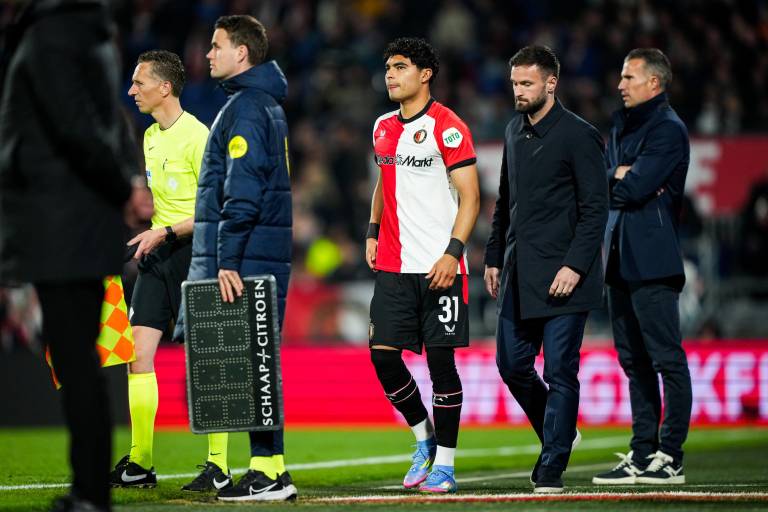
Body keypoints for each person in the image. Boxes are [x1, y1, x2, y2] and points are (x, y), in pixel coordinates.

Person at [0, 1, 133, 510]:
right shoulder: (86, 34)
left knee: (75, 362)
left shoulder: (52, 37)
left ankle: (91, 493)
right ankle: (89, 489)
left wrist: (122, 187)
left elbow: (76, 127)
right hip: (77, 220)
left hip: (62, 223)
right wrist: (122, 184)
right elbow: (105, 123)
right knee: (77, 361)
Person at [174, 15, 296, 502]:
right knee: (257, 363)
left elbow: (241, 193)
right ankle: (272, 469)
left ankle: (266, 472)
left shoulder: (245, 108)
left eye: (216, 45)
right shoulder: (262, 104)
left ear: (241, 53)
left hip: (246, 258)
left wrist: (227, 260)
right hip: (262, 252)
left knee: (249, 366)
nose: (208, 54)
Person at [484, 45, 607, 494]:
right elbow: (505, 201)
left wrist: (575, 265)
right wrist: (493, 255)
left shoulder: (580, 135)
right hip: (520, 271)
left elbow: (595, 209)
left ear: (551, 84)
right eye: (514, 83)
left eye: (527, 83)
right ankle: (561, 430)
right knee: (511, 364)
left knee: (560, 371)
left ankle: (552, 464)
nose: (518, 91)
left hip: (564, 278)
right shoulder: (513, 131)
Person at [107, 50, 232, 493]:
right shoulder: (149, 137)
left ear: (164, 88)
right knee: (138, 355)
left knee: (207, 362)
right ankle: (141, 463)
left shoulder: (198, 136)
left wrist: (164, 230)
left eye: (139, 83)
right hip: (158, 254)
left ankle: (219, 465)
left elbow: (217, 209)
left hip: (196, 254)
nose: (131, 91)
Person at [366, 37, 480, 494]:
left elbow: (471, 197)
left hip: (439, 267)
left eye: (400, 67)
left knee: (440, 366)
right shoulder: (381, 126)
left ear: (425, 74)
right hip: (394, 265)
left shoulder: (448, 127)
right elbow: (384, 181)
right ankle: (423, 437)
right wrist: (372, 231)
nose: (390, 75)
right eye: (387, 68)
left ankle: (446, 466)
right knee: (382, 358)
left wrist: (453, 252)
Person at [593, 48, 691, 486]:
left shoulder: (668, 129)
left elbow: (633, 189)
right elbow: (605, 184)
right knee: (634, 362)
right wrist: (617, 175)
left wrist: (619, 178)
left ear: (654, 82)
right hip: (618, 259)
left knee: (666, 359)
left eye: (629, 77)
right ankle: (643, 451)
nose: (620, 85)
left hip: (653, 260)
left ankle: (671, 456)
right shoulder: (621, 125)